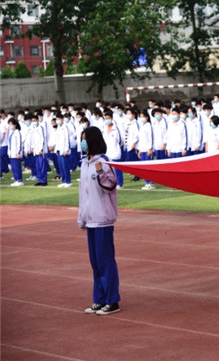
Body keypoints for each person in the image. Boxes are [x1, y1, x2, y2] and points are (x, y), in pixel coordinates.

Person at [78, 126, 121, 316]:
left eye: (85, 139)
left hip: (102, 219)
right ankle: (99, 298)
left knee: (105, 261)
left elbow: (111, 186)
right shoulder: (84, 164)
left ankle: (112, 300)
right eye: (82, 139)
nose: (83, 142)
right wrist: (81, 217)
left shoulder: (103, 162)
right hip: (90, 219)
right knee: (95, 262)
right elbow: (83, 194)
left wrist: (101, 173)